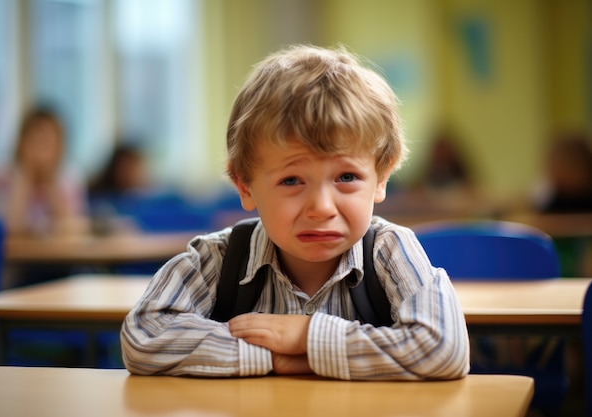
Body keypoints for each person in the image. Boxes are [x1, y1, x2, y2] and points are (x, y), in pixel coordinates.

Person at [121, 44, 470, 380]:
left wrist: (308, 338)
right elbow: (143, 334)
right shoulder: (222, 258)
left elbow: (443, 347)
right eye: (292, 180)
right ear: (244, 186)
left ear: (381, 177)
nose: (321, 208)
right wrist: (273, 357)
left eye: (346, 177)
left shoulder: (389, 249)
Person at [0, 106, 89, 237]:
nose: (40, 151)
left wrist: (52, 184)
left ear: (60, 147)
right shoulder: (4, 177)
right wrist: (24, 178)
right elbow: (7, 228)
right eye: (34, 142)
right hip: (16, 255)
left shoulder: (68, 179)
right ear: (20, 144)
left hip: (60, 255)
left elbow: (74, 228)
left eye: (47, 143)